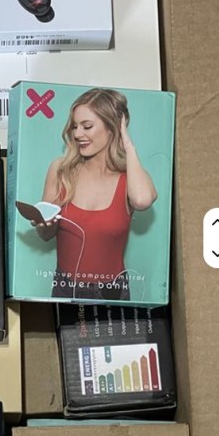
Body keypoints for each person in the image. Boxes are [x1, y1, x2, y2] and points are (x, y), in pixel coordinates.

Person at [32, 88, 157, 300]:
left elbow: (142, 200)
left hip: (113, 292)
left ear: (113, 127)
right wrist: (45, 224)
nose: (77, 134)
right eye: (75, 126)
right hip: (65, 288)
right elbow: (45, 236)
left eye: (87, 126)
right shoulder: (61, 170)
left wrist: (128, 147)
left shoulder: (129, 178)